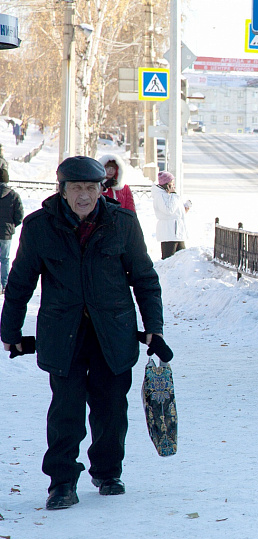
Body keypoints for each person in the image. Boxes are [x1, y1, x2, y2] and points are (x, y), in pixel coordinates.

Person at [1, 156, 166, 510]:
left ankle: (107, 472)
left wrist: (154, 328)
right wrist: (10, 330)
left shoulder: (122, 223)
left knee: (110, 410)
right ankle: (61, 482)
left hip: (114, 333)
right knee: (66, 411)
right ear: (61, 190)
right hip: (63, 334)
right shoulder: (39, 227)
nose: (84, 196)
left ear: (101, 190)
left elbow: (145, 280)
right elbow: (19, 283)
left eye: (91, 188)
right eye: (76, 188)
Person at [152, 170, 190, 259]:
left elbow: (175, 212)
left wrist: (184, 209)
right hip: (169, 232)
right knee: (169, 259)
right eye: (172, 183)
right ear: (167, 184)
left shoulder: (168, 195)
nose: (173, 185)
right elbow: (169, 210)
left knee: (182, 258)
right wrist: (174, 195)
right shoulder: (160, 196)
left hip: (177, 232)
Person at [0, 166, 25, 292]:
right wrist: (12, 225)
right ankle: (4, 285)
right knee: (4, 259)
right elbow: (19, 215)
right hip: (5, 233)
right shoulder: (13, 195)